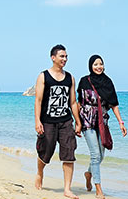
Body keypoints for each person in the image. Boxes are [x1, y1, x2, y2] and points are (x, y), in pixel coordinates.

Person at [34, 44, 82, 199]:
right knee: (45, 152)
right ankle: (40, 172)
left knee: (69, 153)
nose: (65, 59)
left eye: (66, 56)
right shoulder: (43, 76)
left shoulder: (70, 78)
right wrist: (37, 121)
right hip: (47, 121)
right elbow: (38, 100)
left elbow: (73, 102)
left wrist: (78, 122)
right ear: (53, 57)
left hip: (66, 121)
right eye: (62, 56)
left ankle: (67, 189)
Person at [77, 55, 127, 198]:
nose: (98, 67)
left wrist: (121, 123)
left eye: (101, 64)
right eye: (95, 64)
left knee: (101, 155)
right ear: (90, 66)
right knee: (95, 155)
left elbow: (114, 104)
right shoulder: (84, 81)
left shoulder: (108, 82)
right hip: (87, 121)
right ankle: (99, 190)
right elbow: (79, 103)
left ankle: (88, 174)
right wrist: (77, 123)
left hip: (102, 122)